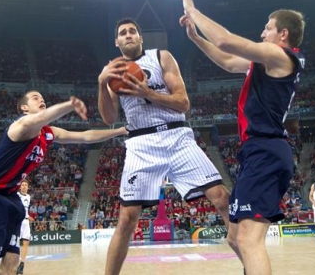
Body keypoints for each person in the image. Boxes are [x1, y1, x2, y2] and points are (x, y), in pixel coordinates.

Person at [176, 0, 305, 275]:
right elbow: (226, 60)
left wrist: (193, 11)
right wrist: (196, 38)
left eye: (267, 28)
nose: (262, 33)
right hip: (256, 151)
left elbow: (225, 40)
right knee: (235, 237)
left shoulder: (280, 56)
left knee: (248, 238)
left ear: (283, 34)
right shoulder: (265, 62)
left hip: (266, 149)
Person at [98, 17, 239, 275]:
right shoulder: (114, 71)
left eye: (132, 31)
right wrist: (101, 83)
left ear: (141, 37)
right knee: (127, 219)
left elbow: (184, 103)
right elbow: (108, 119)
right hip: (141, 143)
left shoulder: (162, 56)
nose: (128, 35)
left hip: (177, 136)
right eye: (122, 33)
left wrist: (148, 94)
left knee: (221, 198)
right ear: (116, 41)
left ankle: (250, 264)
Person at [0, 92, 127, 275]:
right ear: (24, 108)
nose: (41, 99)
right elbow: (43, 117)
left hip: (11, 197)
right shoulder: (19, 126)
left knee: (12, 258)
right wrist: (70, 104)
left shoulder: (47, 133)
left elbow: (85, 136)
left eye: (42, 97)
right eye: (35, 98)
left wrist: (120, 131)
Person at [16, 179, 34, 275]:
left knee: (26, 242)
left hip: (26, 222)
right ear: (20, 187)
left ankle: (22, 264)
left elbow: (25, 210)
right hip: (18, 221)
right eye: (22, 184)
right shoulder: (17, 196)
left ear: (28, 187)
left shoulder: (28, 196)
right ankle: (14, 263)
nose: (24, 186)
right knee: (15, 243)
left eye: (25, 185)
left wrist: (28, 216)